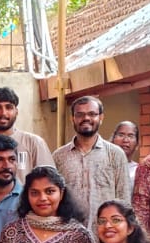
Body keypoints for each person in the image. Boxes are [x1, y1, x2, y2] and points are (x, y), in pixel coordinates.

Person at [54, 96, 130, 225]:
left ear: (101, 118)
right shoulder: (59, 156)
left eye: (92, 114)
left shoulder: (115, 154)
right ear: (72, 119)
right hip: (69, 232)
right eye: (80, 114)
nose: (86, 118)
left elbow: (124, 199)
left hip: (105, 232)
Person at [0, 87, 54, 182]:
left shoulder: (34, 143)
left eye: (9, 107)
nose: (3, 113)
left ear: (16, 112)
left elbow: (48, 181)